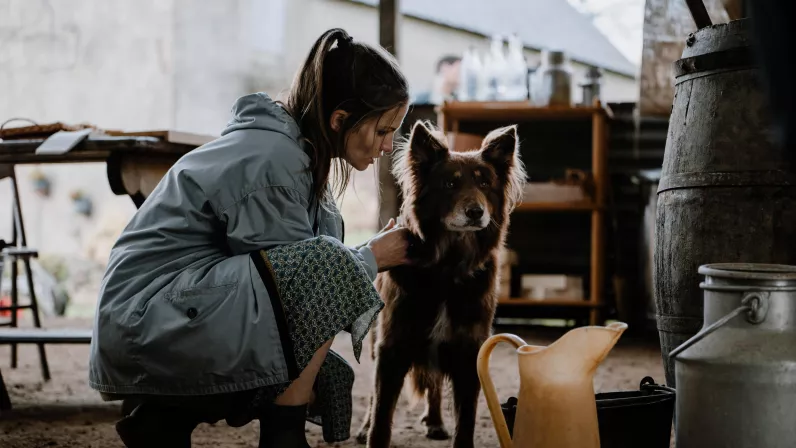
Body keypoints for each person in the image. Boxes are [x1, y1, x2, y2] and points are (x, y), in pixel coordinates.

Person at [88, 27, 411, 448]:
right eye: (383, 131)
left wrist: (363, 256)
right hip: (145, 324)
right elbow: (296, 290)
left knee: (325, 365)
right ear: (339, 120)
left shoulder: (292, 152)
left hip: (161, 316)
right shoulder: (274, 160)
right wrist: (371, 258)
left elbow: (282, 274)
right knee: (324, 277)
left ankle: (163, 418)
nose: (388, 146)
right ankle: (282, 434)